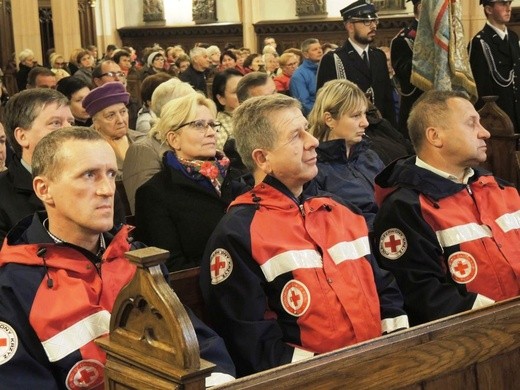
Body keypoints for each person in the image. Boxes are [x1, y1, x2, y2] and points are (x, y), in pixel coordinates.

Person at [0, 126, 236, 388]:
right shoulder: (13, 287)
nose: (107, 189)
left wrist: (216, 381)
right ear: (44, 189)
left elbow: (196, 341)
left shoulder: (136, 258)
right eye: (89, 175)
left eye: (111, 174)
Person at [200, 94, 408, 377]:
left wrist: (397, 355)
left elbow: (383, 288)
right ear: (263, 158)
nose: (314, 141)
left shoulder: (340, 210)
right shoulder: (237, 233)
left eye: (307, 130)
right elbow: (252, 340)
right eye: (296, 136)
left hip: (383, 369)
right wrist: (325, 375)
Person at [373, 90, 520, 326]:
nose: (485, 132)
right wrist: (504, 318)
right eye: (472, 124)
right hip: (475, 340)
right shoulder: (405, 208)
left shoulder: (502, 189)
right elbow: (424, 297)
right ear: (435, 136)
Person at [134, 92, 247, 271]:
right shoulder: (154, 194)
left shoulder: (236, 181)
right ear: (174, 139)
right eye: (199, 125)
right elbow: (171, 267)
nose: (211, 132)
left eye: (212, 124)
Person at [0, 89, 74, 247]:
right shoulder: (2, 194)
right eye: (55, 123)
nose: (69, 131)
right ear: (22, 136)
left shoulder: (97, 182)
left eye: (71, 122)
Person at [309, 79, 384, 231]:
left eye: (364, 114)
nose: (365, 123)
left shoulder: (369, 156)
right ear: (329, 119)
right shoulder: (313, 169)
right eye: (356, 116)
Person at [316, 0, 396, 126]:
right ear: (350, 26)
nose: (373, 26)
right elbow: (324, 105)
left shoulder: (378, 56)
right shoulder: (334, 59)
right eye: (366, 22)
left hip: (380, 130)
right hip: (349, 131)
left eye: (374, 21)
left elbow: (387, 101)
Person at [123, 79, 195, 214]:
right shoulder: (143, 150)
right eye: (190, 108)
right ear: (171, 112)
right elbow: (147, 209)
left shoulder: (193, 144)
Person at [469, 0, 520, 132]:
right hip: (498, 121)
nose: (508, 8)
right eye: (503, 4)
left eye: (509, 3)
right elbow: (482, 90)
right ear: (489, 9)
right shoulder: (480, 42)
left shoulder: (513, 38)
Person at [82, 82, 144, 179]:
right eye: (111, 115)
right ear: (96, 122)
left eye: (123, 112)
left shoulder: (143, 140)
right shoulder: (86, 150)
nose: (120, 120)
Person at [391, 0, 423, 137]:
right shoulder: (404, 39)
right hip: (416, 110)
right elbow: (405, 75)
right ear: (422, 8)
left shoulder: (443, 38)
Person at [289, 38, 323, 116]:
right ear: (306, 55)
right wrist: (322, 115)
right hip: (314, 117)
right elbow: (304, 104)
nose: (319, 51)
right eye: (315, 49)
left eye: (320, 48)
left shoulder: (324, 68)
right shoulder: (298, 76)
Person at [212, 69, 243, 150]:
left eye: (245, 89)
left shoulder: (254, 115)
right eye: (236, 92)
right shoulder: (219, 131)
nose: (244, 94)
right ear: (221, 98)